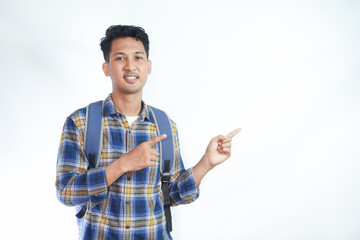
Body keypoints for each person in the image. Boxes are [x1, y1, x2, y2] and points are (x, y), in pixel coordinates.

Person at [56, 25, 240, 240]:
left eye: (138, 58)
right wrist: (123, 164)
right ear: (106, 68)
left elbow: (173, 194)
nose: (130, 66)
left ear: (149, 66)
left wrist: (206, 163)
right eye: (120, 58)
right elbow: (66, 192)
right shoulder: (81, 122)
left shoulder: (164, 125)